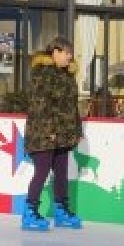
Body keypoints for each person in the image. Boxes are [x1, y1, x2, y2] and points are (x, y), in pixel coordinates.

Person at [21, 36, 83, 232]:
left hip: (63, 134)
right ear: (55, 52)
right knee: (42, 171)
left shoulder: (67, 75)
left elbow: (72, 106)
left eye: (71, 53)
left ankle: (61, 211)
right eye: (67, 53)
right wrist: (50, 132)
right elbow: (41, 107)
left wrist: (77, 130)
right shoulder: (42, 74)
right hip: (44, 133)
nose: (70, 57)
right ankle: (29, 212)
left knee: (62, 172)